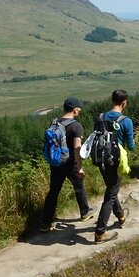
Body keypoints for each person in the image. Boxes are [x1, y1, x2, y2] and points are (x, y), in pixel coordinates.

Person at [40, 97, 96, 232]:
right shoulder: (76, 126)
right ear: (75, 110)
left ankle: (45, 222)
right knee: (78, 186)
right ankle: (84, 212)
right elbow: (77, 148)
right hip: (69, 162)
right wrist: (80, 167)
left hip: (56, 162)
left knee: (53, 191)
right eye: (79, 110)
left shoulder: (54, 122)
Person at [93, 89, 136, 244]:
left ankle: (121, 216)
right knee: (110, 194)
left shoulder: (100, 117)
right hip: (115, 161)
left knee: (111, 188)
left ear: (112, 101)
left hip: (100, 160)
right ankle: (100, 232)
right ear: (124, 103)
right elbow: (131, 146)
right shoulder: (126, 121)